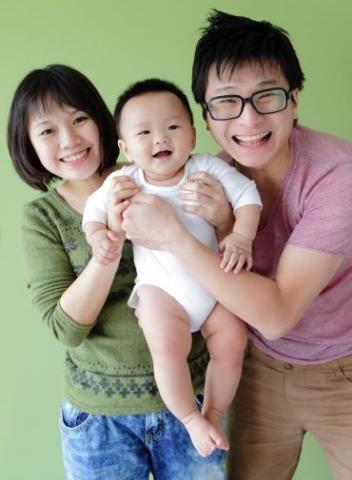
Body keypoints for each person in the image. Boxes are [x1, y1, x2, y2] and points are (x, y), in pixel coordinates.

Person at [120, 10, 352, 480]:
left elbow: (277, 314)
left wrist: (176, 237)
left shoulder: (341, 174)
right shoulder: (206, 177)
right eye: (226, 102)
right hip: (258, 366)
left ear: (294, 101)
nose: (248, 118)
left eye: (267, 96)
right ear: (204, 118)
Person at [7, 64, 228, 479]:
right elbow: (66, 329)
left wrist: (225, 218)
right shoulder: (42, 217)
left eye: (79, 120)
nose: (70, 141)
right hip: (99, 420)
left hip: (193, 404)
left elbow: (224, 262)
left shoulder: (161, 174)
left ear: (106, 125)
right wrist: (106, 249)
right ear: (29, 145)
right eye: (47, 131)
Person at [82, 78, 262, 456]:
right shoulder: (122, 181)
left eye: (173, 127)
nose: (160, 138)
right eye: (144, 132)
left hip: (212, 286)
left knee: (233, 341)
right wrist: (99, 235)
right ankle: (189, 417)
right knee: (166, 348)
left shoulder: (207, 169)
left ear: (194, 136)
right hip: (162, 292)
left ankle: (212, 410)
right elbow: (92, 214)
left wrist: (241, 235)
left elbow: (248, 195)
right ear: (125, 148)